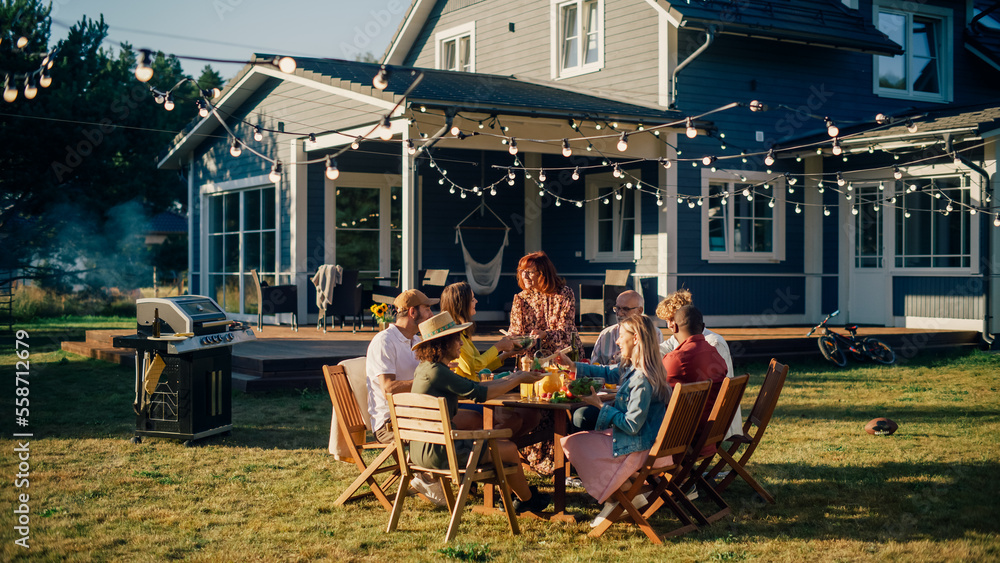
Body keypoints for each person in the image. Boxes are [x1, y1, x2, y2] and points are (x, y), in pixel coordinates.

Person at [409, 311, 551, 513]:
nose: (460, 342)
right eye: (456, 338)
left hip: (420, 450)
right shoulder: (438, 372)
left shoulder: (426, 369)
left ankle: (519, 498)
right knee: (508, 449)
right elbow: (480, 394)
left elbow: (473, 385)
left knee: (503, 446)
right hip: (440, 453)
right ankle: (526, 500)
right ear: (442, 343)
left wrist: (516, 377)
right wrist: (517, 379)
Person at [555, 315, 671, 527]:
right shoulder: (640, 368)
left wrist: (600, 406)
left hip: (639, 446)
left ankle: (620, 496)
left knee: (575, 444)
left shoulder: (641, 378)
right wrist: (574, 367)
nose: (617, 341)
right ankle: (623, 494)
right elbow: (608, 372)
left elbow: (631, 425)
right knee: (580, 439)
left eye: (621, 336)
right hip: (649, 442)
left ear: (635, 339)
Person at [656, 290, 742, 439]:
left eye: (672, 318)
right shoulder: (678, 339)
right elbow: (664, 348)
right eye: (666, 320)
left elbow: (717, 388)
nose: (670, 325)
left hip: (713, 420)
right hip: (697, 414)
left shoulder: (713, 343)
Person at [364, 289, 437, 445]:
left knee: (471, 419)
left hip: (417, 413)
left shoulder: (417, 341)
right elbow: (388, 388)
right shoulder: (385, 342)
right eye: (427, 309)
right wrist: (427, 381)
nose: (431, 315)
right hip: (390, 423)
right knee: (448, 428)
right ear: (412, 312)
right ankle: (427, 468)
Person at [661, 305, 728, 458]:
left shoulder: (675, 359)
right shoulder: (716, 355)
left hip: (680, 439)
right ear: (703, 327)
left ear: (675, 326)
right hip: (710, 435)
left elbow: (657, 391)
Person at [508, 251, 583, 358]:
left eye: (529, 271)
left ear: (543, 273)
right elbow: (515, 331)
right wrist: (512, 340)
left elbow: (565, 330)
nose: (524, 276)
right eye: (522, 271)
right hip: (533, 359)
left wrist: (545, 335)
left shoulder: (563, 294)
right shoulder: (520, 298)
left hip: (563, 356)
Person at [590, 289, 663, 365]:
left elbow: (657, 365)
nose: (620, 314)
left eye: (626, 309)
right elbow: (594, 366)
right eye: (617, 308)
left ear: (640, 311)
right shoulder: (606, 334)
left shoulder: (654, 333)